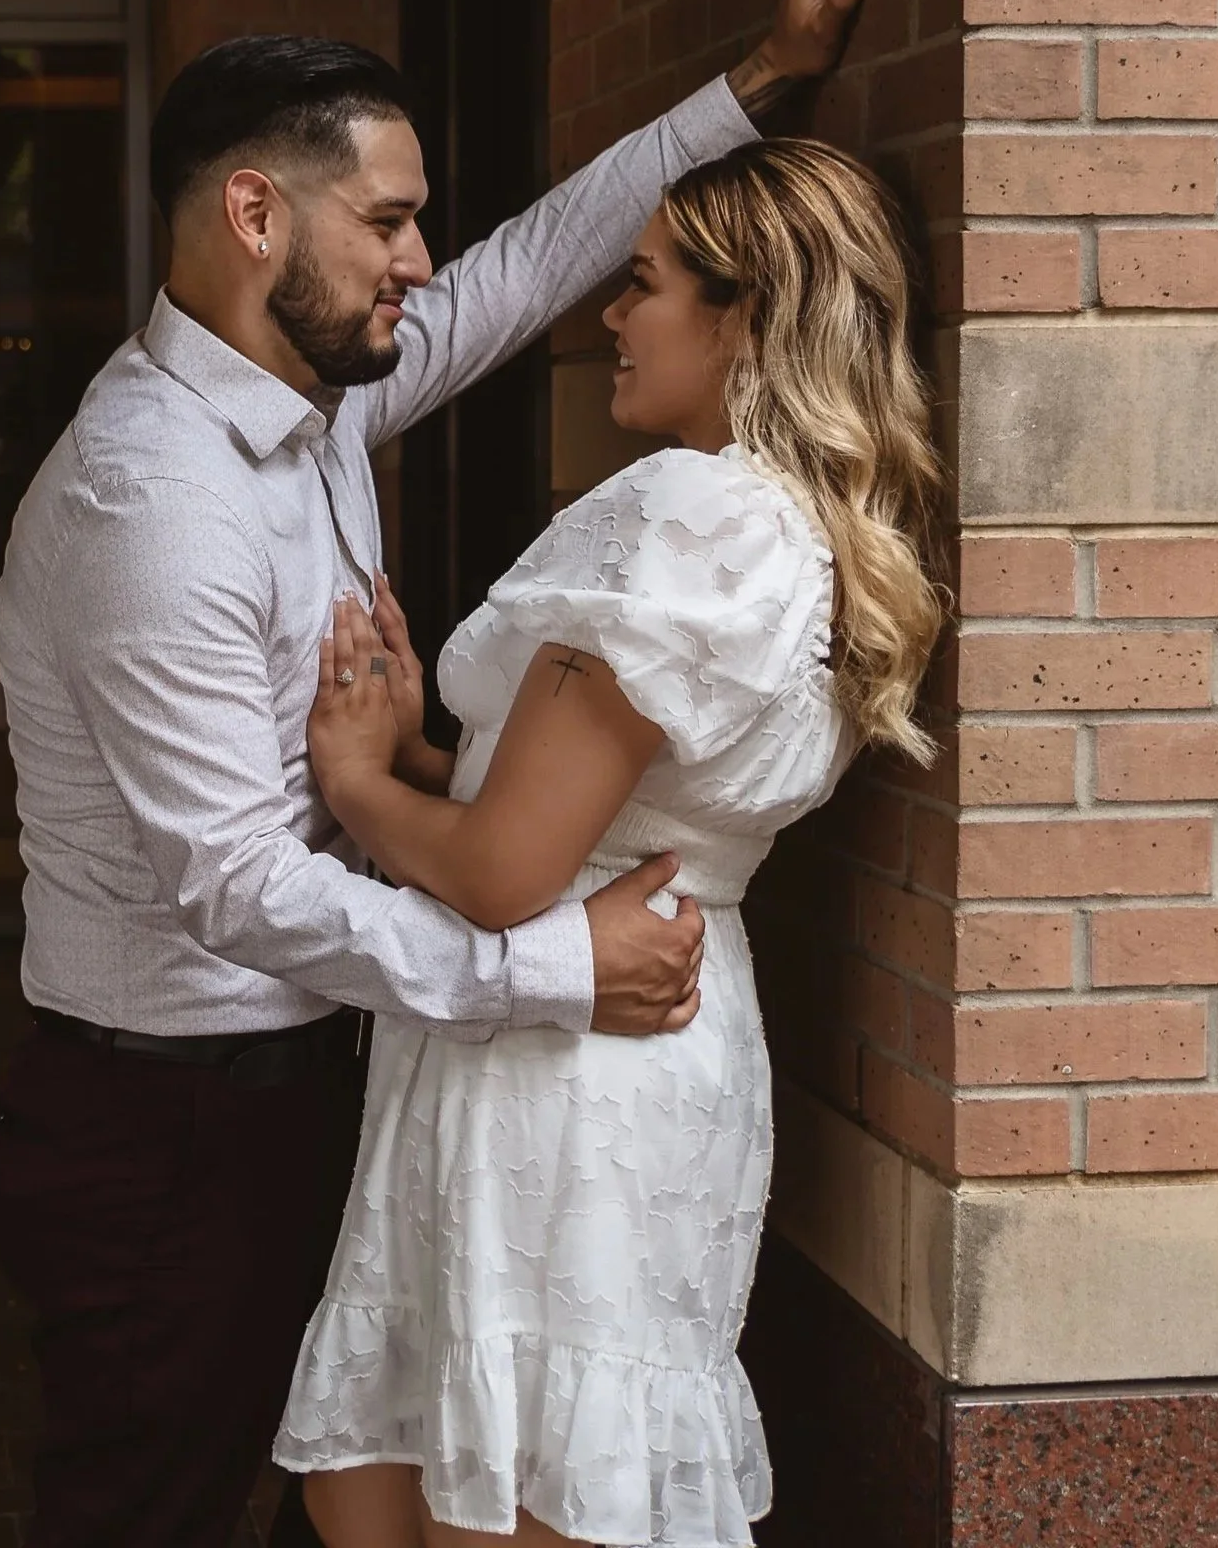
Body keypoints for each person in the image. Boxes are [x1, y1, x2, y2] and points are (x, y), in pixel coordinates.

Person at [0, 0, 871, 1548]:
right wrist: (548, 966)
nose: (420, 258)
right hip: (165, 1125)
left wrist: (757, 89)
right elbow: (231, 881)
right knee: (151, 1510)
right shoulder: (145, 502)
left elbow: (531, 265)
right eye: (387, 221)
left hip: (311, 1070)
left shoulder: (312, 399)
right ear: (258, 215)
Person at [276, 139, 943, 1546]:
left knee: (472, 1491)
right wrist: (425, 760)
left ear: (746, 314)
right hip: (646, 1042)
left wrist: (357, 778)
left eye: (642, 286)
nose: (610, 317)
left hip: (564, 1068)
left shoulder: (686, 517)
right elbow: (611, 807)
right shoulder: (796, 531)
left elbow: (512, 870)